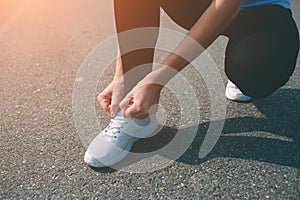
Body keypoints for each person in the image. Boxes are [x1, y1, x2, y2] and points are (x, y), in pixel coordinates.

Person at [84, 0, 299, 167]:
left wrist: (156, 79)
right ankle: (135, 115)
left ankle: (242, 68)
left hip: (262, 10)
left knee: (256, 70)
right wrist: (124, 76)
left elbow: (226, 6)